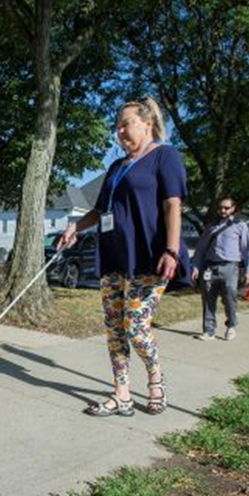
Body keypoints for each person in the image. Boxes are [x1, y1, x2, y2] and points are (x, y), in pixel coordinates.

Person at [58, 97, 190, 416]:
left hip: (149, 255)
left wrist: (171, 250)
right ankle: (122, 394)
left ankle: (156, 380)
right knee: (114, 327)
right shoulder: (117, 167)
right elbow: (100, 209)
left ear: (147, 123)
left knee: (135, 325)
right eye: (117, 127)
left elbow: (173, 205)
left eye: (125, 124)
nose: (119, 132)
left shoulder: (165, 156)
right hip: (114, 255)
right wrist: (76, 226)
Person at [190, 197, 249, 341]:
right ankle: (209, 330)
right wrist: (195, 267)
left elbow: (247, 251)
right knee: (208, 299)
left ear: (233, 208)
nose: (222, 210)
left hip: (230, 267)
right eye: (220, 208)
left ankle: (231, 325)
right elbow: (200, 248)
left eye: (226, 208)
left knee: (230, 297)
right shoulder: (211, 226)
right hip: (209, 267)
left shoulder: (240, 226)